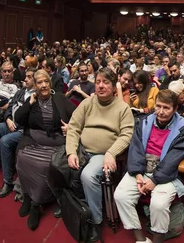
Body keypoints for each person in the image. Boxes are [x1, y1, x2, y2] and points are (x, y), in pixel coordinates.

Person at [113, 90, 184, 243]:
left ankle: (157, 240)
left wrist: (155, 180)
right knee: (121, 196)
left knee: (158, 204)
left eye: (166, 108)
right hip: (142, 169)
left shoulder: (183, 129)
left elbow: (173, 159)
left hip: (165, 173)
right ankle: (141, 239)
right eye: (158, 106)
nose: (161, 112)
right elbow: (136, 149)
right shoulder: (144, 122)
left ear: (175, 109)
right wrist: (137, 174)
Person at [66, 68, 134, 242]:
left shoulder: (122, 108)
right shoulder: (88, 103)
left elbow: (126, 135)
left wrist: (111, 152)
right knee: (57, 167)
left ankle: (95, 222)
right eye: (98, 82)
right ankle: (74, 208)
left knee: (88, 176)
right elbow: (73, 127)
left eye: (105, 82)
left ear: (113, 87)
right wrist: (71, 152)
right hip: (82, 150)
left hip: (102, 154)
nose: (101, 86)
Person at [14, 70, 76, 230]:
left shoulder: (60, 98)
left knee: (45, 165)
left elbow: (77, 115)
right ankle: (27, 196)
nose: (43, 85)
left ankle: (36, 204)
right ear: (34, 86)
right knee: (21, 156)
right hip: (33, 142)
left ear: (50, 83)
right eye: (39, 83)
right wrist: (30, 102)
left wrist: (71, 127)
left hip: (55, 145)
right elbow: (18, 119)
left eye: (46, 82)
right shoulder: (31, 100)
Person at [0, 68, 36, 198]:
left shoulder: (36, 96)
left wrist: (16, 124)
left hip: (23, 130)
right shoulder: (21, 92)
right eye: (26, 76)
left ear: (36, 81)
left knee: (5, 141)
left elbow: (31, 118)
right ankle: (8, 162)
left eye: (29, 77)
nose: (25, 79)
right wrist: (8, 119)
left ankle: (7, 181)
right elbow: (10, 107)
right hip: (10, 123)